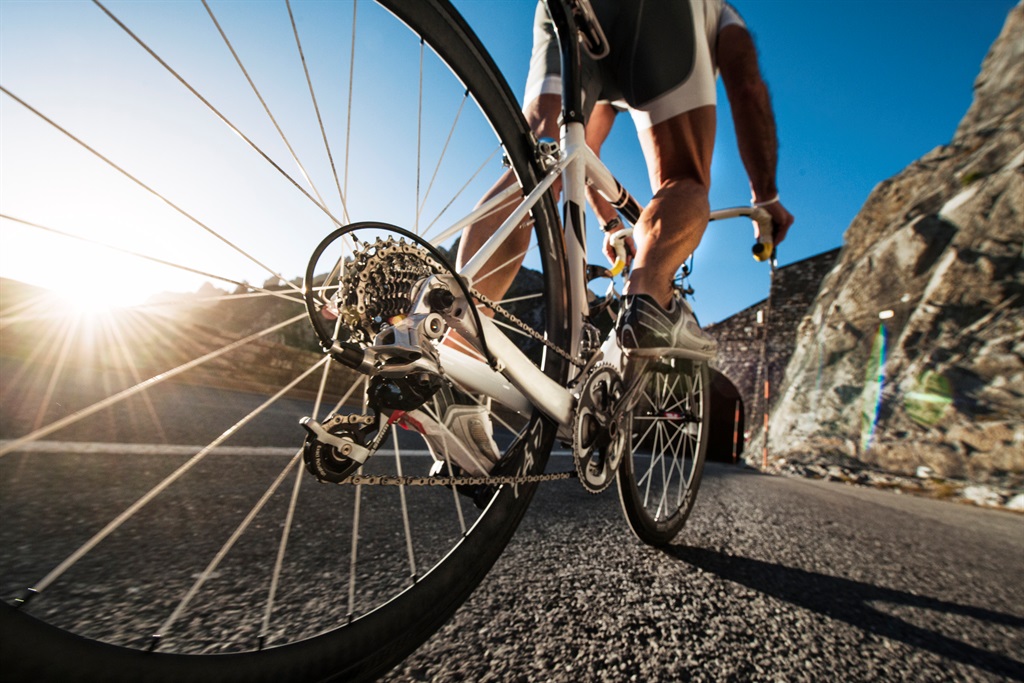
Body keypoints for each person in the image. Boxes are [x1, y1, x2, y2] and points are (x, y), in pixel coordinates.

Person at [458, 0, 794, 358]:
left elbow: (583, 150)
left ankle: (452, 343)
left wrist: (611, 224)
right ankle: (646, 302)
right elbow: (747, 88)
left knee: (539, 163)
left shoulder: (611, 86)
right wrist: (765, 195)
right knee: (682, 178)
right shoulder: (725, 12)